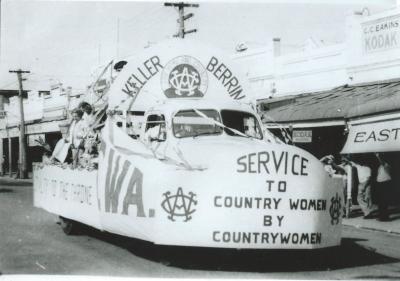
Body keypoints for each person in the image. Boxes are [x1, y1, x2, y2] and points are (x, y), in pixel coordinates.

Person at [375, 153, 392, 221]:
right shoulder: (381, 166)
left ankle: (384, 217)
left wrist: (378, 156)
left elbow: (382, 162)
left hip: (385, 184)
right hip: (380, 184)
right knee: (381, 201)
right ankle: (382, 216)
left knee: (383, 201)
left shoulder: (386, 165)